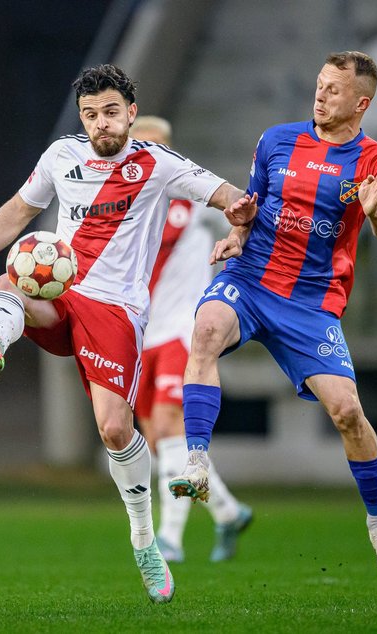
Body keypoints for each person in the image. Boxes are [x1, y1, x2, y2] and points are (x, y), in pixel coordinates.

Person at [0, 64, 257, 604]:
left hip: (117, 313)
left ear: (130, 112)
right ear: (81, 118)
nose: (101, 123)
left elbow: (232, 197)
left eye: (110, 112)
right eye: (90, 115)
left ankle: (145, 541)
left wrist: (239, 225)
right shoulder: (62, 155)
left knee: (115, 430)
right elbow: (19, 210)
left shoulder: (159, 164)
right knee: (12, 276)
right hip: (63, 293)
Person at [168, 51, 377, 583]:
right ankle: (197, 463)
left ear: (361, 103)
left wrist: (375, 214)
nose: (321, 94)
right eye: (320, 84)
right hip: (250, 279)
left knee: (347, 412)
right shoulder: (277, 140)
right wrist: (236, 233)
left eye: (334, 90)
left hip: (310, 303)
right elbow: (251, 205)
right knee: (205, 330)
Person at [130, 115, 252, 563]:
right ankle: (228, 511)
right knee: (158, 442)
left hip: (182, 329)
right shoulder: (125, 208)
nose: (144, 156)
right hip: (141, 333)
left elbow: (241, 222)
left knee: (169, 429)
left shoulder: (193, 197)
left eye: (153, 147)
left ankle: (170, 538)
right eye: (137, 147)